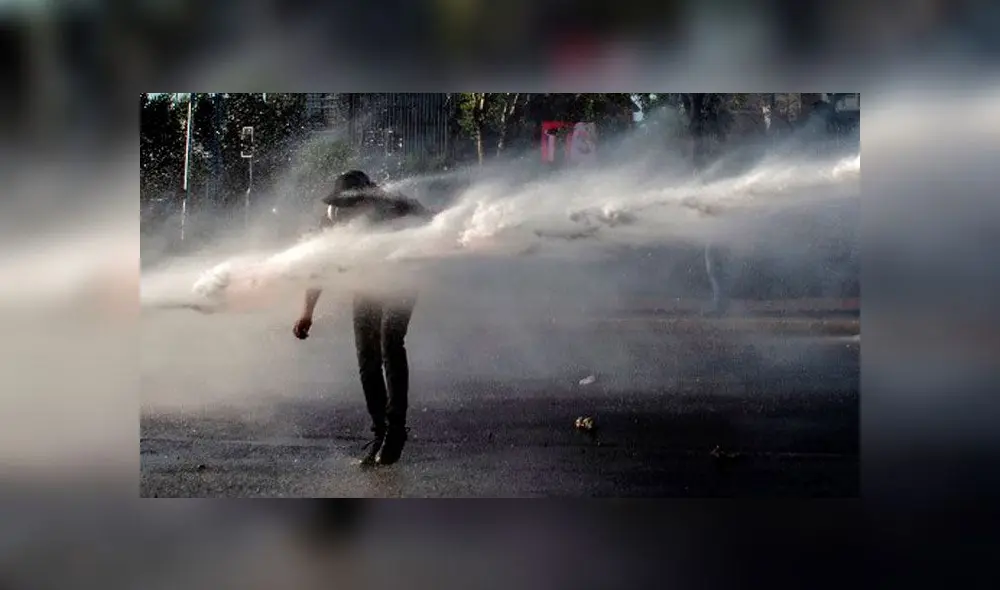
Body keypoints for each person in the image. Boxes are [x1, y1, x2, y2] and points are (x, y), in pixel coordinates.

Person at [292, 170, 433, 467]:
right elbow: (319, 266)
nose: (349, 212)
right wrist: (307, 312)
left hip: (404, 277)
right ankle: (380, 431)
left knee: (390, 342)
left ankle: (396, 430)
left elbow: (435, 225)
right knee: (367, 359)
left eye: (355, 204)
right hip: (367, 284)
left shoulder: (396, 205)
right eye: (344, 206)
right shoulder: (331, 221)